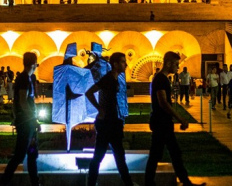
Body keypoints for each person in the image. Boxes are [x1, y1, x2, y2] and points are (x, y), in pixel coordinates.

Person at [145, 51, 205, 186]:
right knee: (161, 154)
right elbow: (163, 102)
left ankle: (184, 181)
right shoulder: (161, 79)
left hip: (163, 122)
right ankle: (152, 182)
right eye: (176, 64)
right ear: (168, 64)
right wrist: (180, 118)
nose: (178, 67)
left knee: (170, 153)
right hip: (161, 122)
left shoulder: (162, 78)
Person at [85, 52, 135, 186]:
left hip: (112, 123)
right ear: (115, 64)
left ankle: (127, 182)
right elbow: (89, 92)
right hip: (107, 124)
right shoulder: (108, 79)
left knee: (117, 157)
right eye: (123, 62)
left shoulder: (114, 78)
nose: (126, 64)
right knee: (103, 157)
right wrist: (99, 109)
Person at [0, 52, 40, 186]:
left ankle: (35, 183)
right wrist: (33, 120)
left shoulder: (26, 78)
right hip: (26, 124)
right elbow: (23, 101)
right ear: (33, 64)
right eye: (36, 64)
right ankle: (4, 182)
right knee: (20, 155)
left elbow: (17, 102)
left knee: (32, 154)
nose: (36, 67)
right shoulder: (24, 79)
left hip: (27, 122)